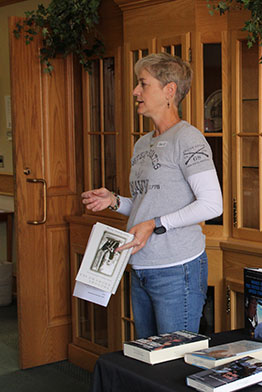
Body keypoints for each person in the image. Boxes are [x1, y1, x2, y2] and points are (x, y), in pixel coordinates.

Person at [81, 53, 223, 339]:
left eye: (143, 84)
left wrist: (155, 223)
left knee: (173, 363)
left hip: (177, 270)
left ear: (169, 90)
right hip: (141, 267)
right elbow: (149, 205)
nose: (135, 91)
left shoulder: (188, 138)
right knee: (147, 362)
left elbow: (212, 204)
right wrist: (114, 201)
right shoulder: (142, 143)